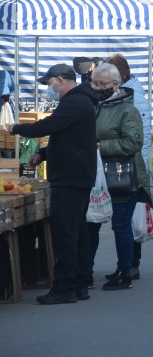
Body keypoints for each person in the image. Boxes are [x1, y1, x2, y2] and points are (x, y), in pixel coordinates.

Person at [8, 64, 97, 304]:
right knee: (76, 233)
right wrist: (44, 154)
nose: (50, 89)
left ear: (60, 80)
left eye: (50, 84)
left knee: (66, 235)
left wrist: (15, 128)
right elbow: (67, 137)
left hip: (70, 177)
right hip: (75, 174)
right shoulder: (79, 101)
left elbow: (47, 127)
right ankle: (79, 285)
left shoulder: (76, 102)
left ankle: (65, 288)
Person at [87, 63, 149, 291]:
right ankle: (86, 272)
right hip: (97, 175)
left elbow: (133, 142)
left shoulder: (127, 109)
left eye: (101, 84)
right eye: (94, 82)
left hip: (122, 174)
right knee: (91, 223)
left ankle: (125, 272)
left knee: (121, 225)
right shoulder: (95, 105)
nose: (95, 87)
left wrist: (100, 146)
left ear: (115, 84)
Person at [105, 54, 152, 168]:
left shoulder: (136, 99)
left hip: (129, 165)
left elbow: (143, 139)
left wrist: (143, 168)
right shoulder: (113, 95)